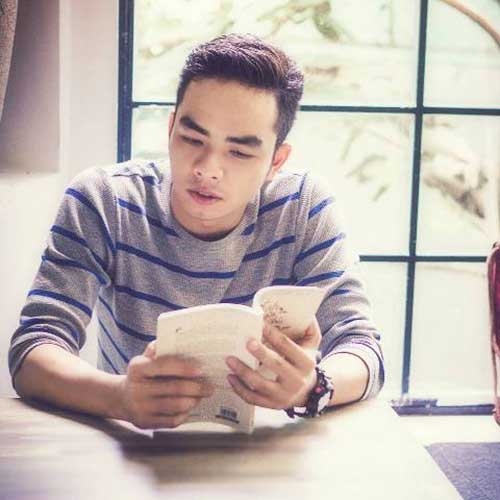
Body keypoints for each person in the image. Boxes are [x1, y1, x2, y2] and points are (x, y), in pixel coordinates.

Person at [8, 33, 384, 429]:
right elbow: (33, 348)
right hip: (137, 443)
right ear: (171, 127)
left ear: (276, 161)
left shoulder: (303, 206)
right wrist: (119, 396)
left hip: (270, 446)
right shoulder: (105, 200)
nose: (207, 169)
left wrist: (313, 386)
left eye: (239, 152)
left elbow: (362, 348)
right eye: (192, 138)